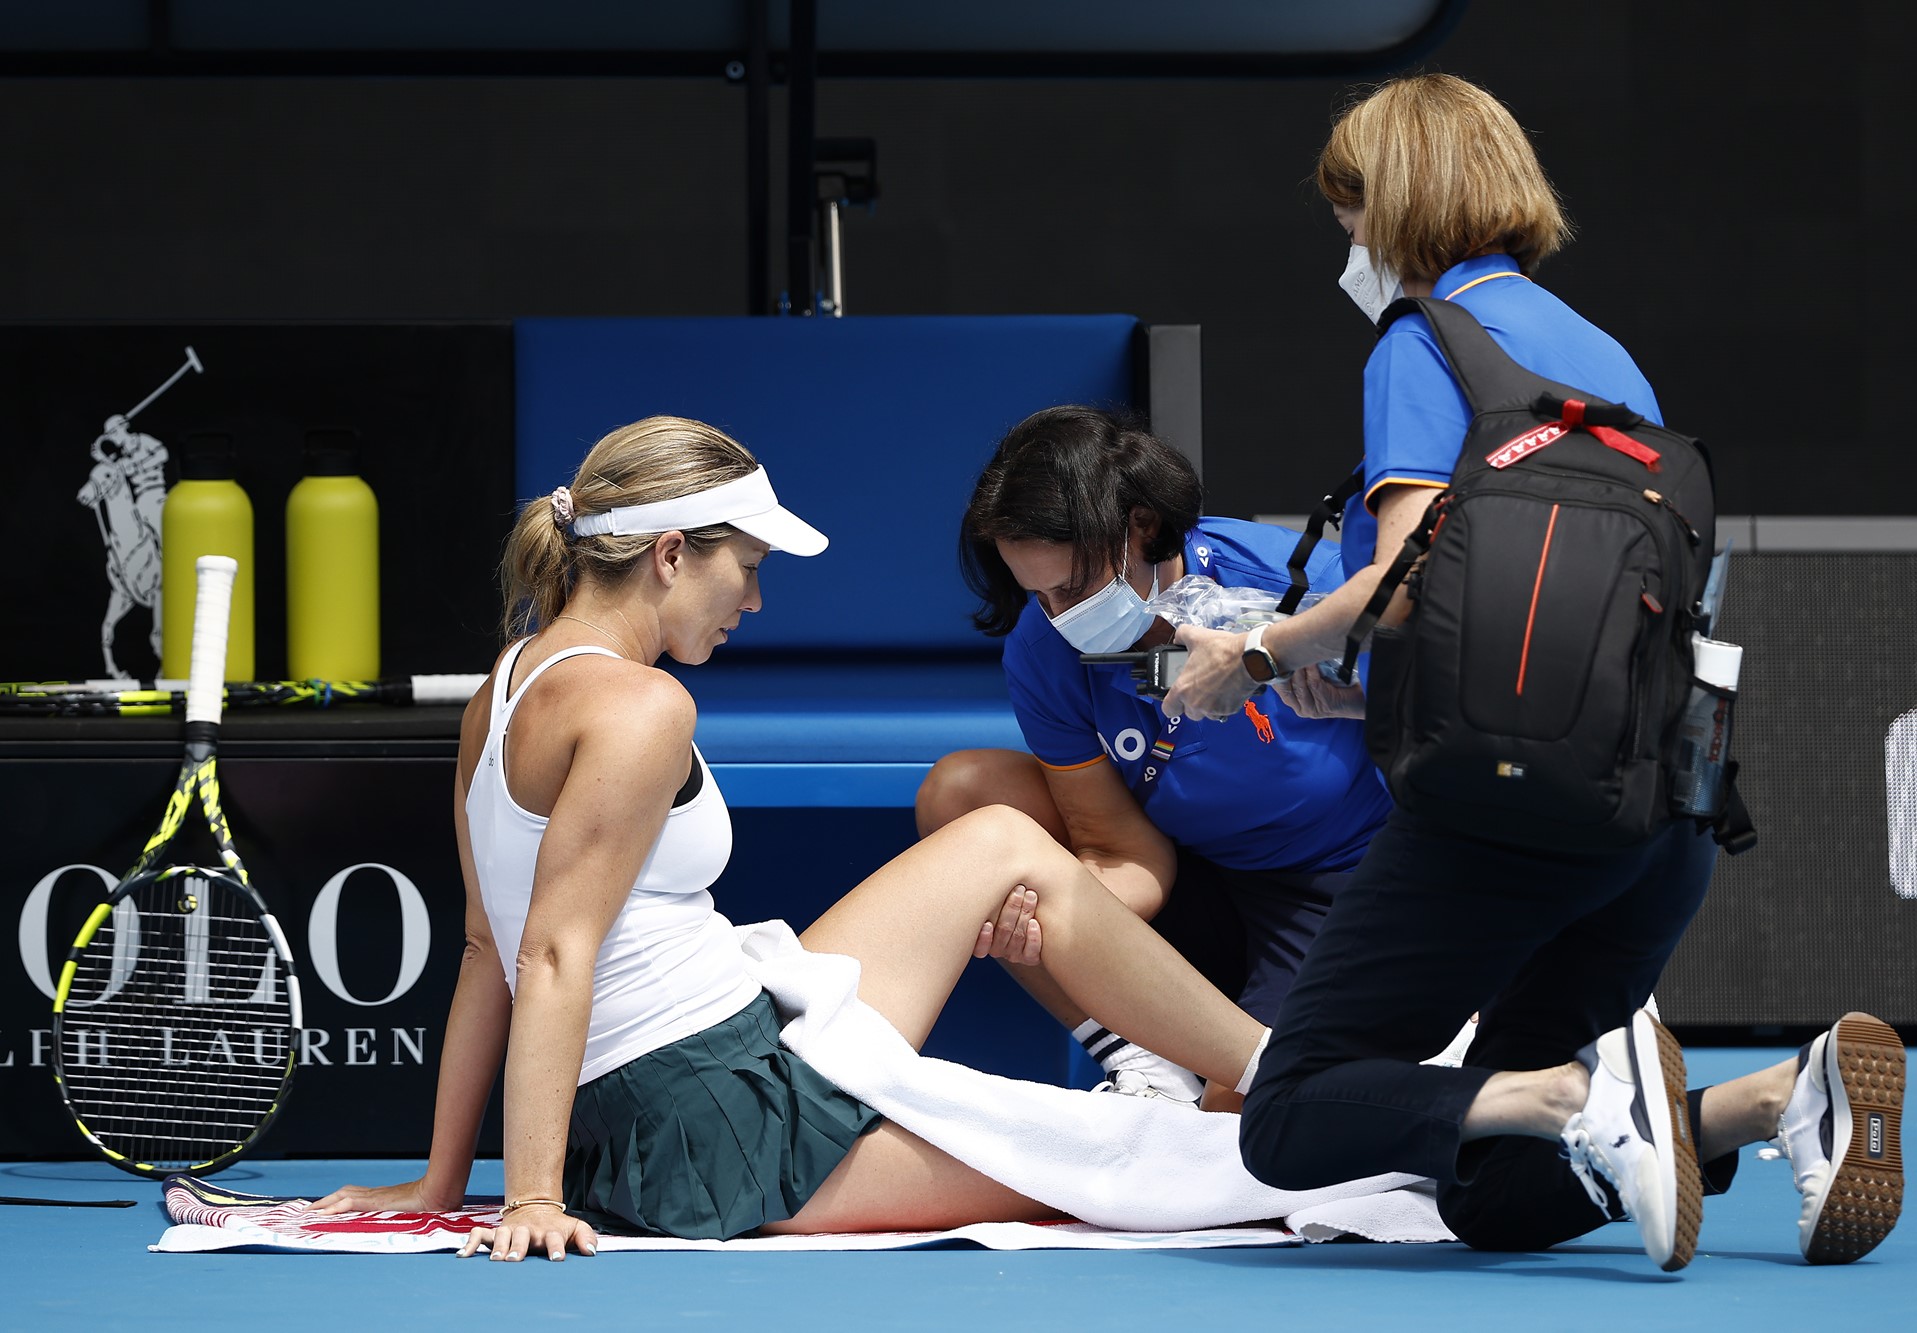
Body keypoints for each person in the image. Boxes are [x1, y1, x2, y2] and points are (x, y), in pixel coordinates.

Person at [1162, 74, 1906, 1270]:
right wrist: (1364, 684)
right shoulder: (1606, 356)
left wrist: (1250, 655)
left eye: (1347, 211)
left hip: (1496, 818)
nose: (1344, 240)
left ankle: (1576, 1097)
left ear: (1387, 205)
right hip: (1658, 819)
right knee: (1495, 1198)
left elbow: (1404, 579)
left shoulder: (1422, 344)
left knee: (1291, 1115)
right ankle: (1770, 1099)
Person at [310, 415, 1281, 1261]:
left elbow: (487, 948)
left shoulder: (506, 679)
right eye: (750, 568)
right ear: (670, 553)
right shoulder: (642, 708)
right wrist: (528, 1198)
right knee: (1146, 1165)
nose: (755, 601)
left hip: (717, 1057)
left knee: (997, 839)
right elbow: (550, 951)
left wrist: (442, 1182)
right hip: (724, 1123)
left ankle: (1272, 1068)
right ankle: (1291, 1088)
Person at [921, 405, 1395, 1108]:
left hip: (1334, 881)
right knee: (963, 793)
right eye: (1038, 594)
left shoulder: (1305, 585)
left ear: (1140, 525)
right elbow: (1117, 848)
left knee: (1238, 1124)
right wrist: (1042, 917)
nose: (1059, 617)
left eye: (1074, 589)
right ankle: (1141, 1058)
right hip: (1185, 871)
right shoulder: (1041, 648)